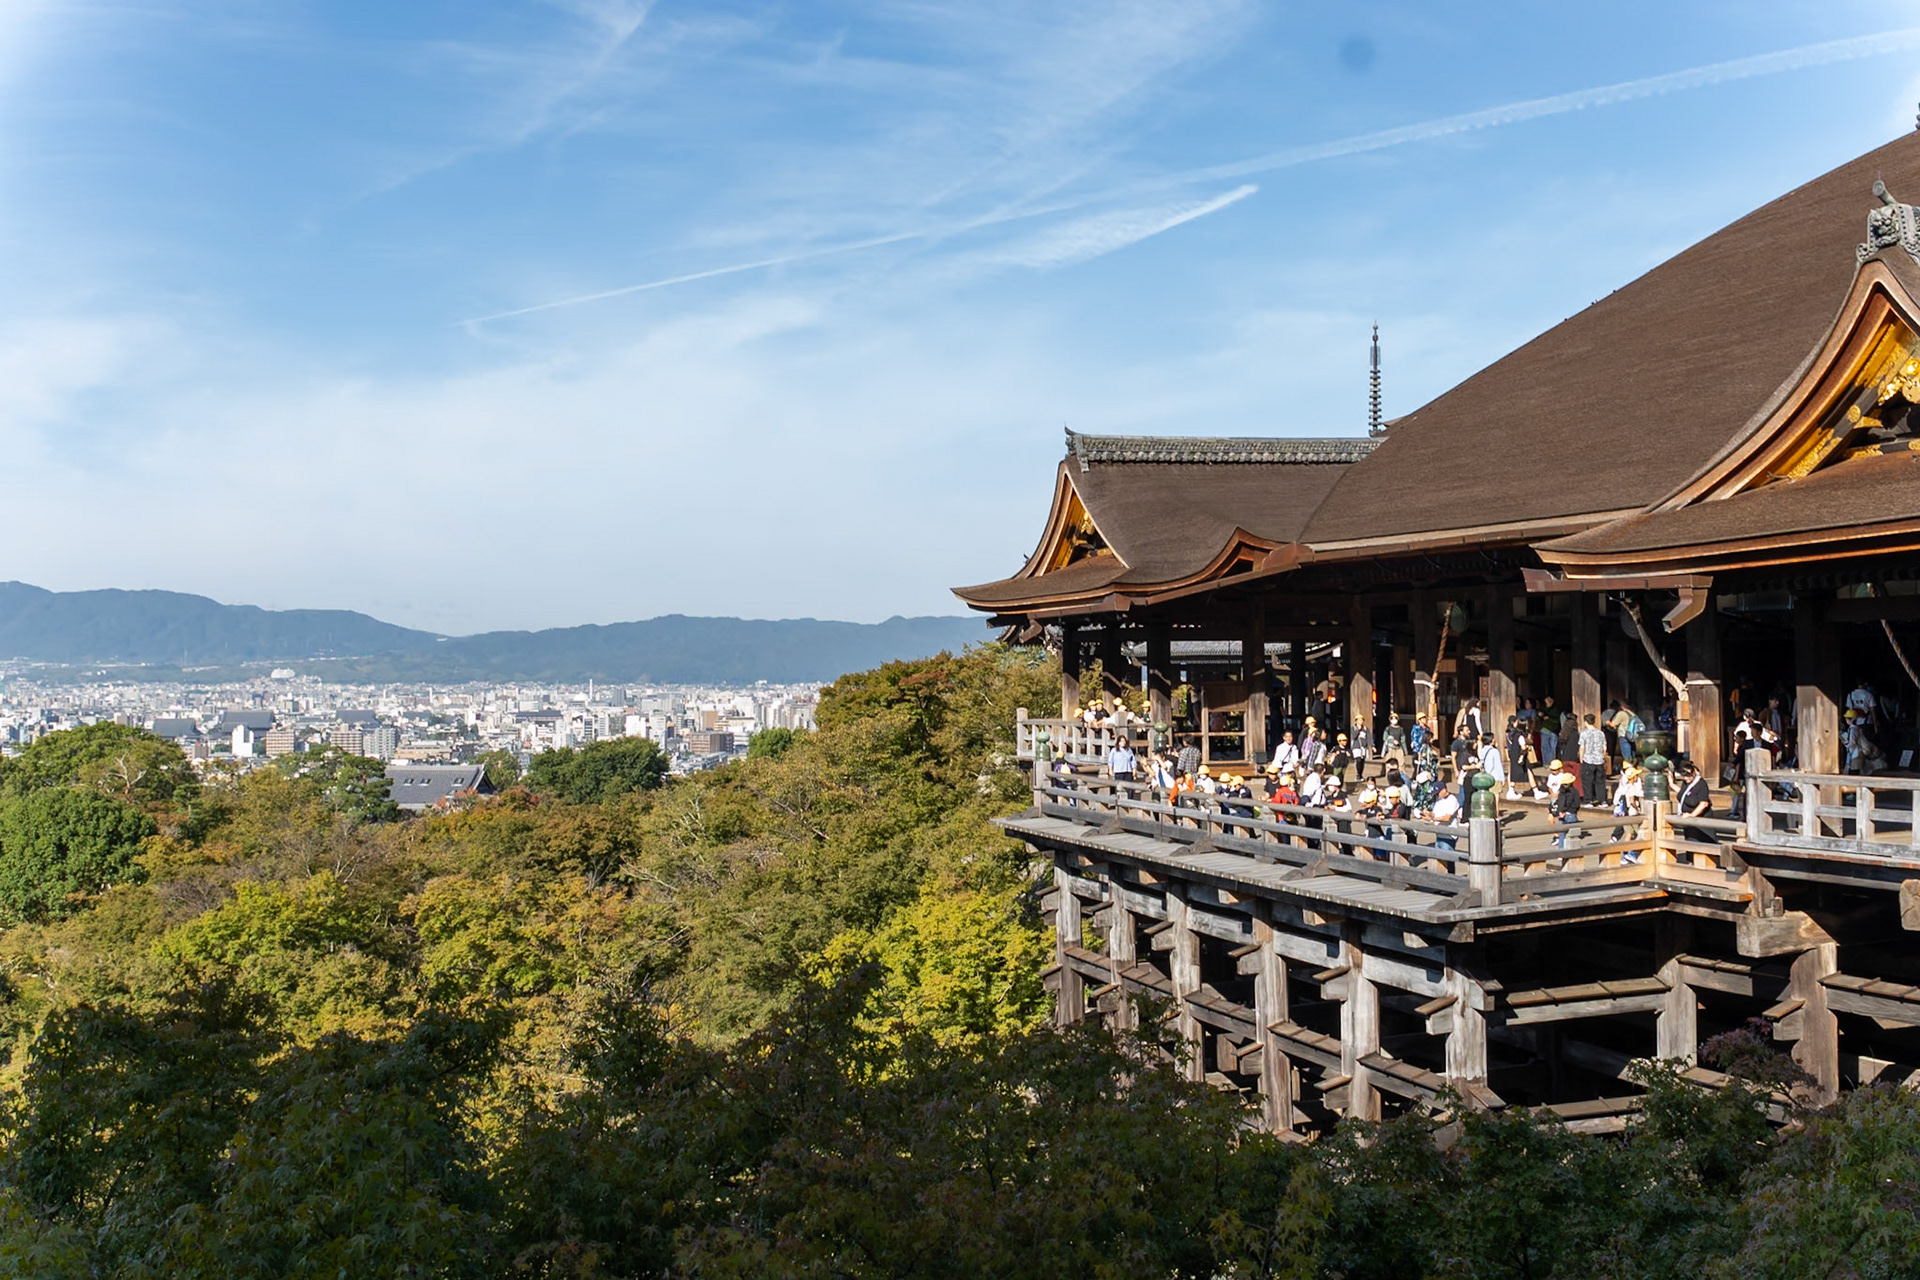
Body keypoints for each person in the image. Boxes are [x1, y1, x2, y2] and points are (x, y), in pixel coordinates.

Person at [1578, 713, 1608, 809]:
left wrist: (1581, 759)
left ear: (1586, 722)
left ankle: (1588, 800)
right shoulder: (1601, 733)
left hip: (1588, 759)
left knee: (1587, 781)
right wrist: (1603, 756)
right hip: (1599, 760)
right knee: (1600, 781)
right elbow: (1604, 747)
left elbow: (1582, 747)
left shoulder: (1584, 733)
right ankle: (1602, 800)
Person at [1430, 782, 1462, 852]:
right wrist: (1428, 815)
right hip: (1439, 834)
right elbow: (1434, 814)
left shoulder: (1452, 800)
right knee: (1439, 858)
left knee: (1448, 858)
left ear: (1444, 790)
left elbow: (1447, 818)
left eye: (1438, 793)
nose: (1438, 795)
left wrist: (1434, 819)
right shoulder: (1438, 800)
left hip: (1449, 835)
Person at [1538, 696, 1561, 768]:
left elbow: (1557, 720)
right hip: (1545, 730)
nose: (1548, 701)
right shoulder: (1543, 708)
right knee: (1545, 747)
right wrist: (1540, 715)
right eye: (1547, 700)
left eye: (1549, 700)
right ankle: (1546, 763)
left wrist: (1549, 718)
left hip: (1554, 731)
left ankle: (1552, 764)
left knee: (1553, 748)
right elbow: (1538, 717)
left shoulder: (1556, 709)